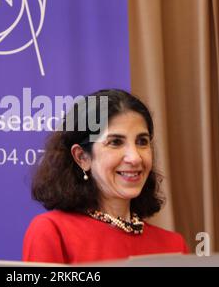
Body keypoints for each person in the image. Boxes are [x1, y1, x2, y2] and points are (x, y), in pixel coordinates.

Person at [22, 89, 188, 264]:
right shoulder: (51, 232)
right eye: (115, 142)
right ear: (82, 157)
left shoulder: (174, 246)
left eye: (142, 142)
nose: (135, 157)